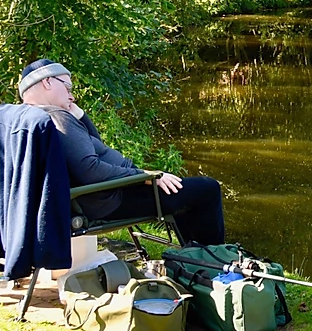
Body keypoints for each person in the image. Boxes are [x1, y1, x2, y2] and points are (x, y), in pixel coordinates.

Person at [18, 59, 225, 245]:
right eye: (67, 86)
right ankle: (215, 265)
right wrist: (143, 176)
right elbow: (90, 169)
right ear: (47, 82)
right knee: (207, 188)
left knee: (182, 193)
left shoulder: (31, 118)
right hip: (112, 198)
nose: (71, 94)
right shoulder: (57, 117)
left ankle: (192, 259)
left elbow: (93, 147)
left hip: (99, 196)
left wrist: (79, 115)